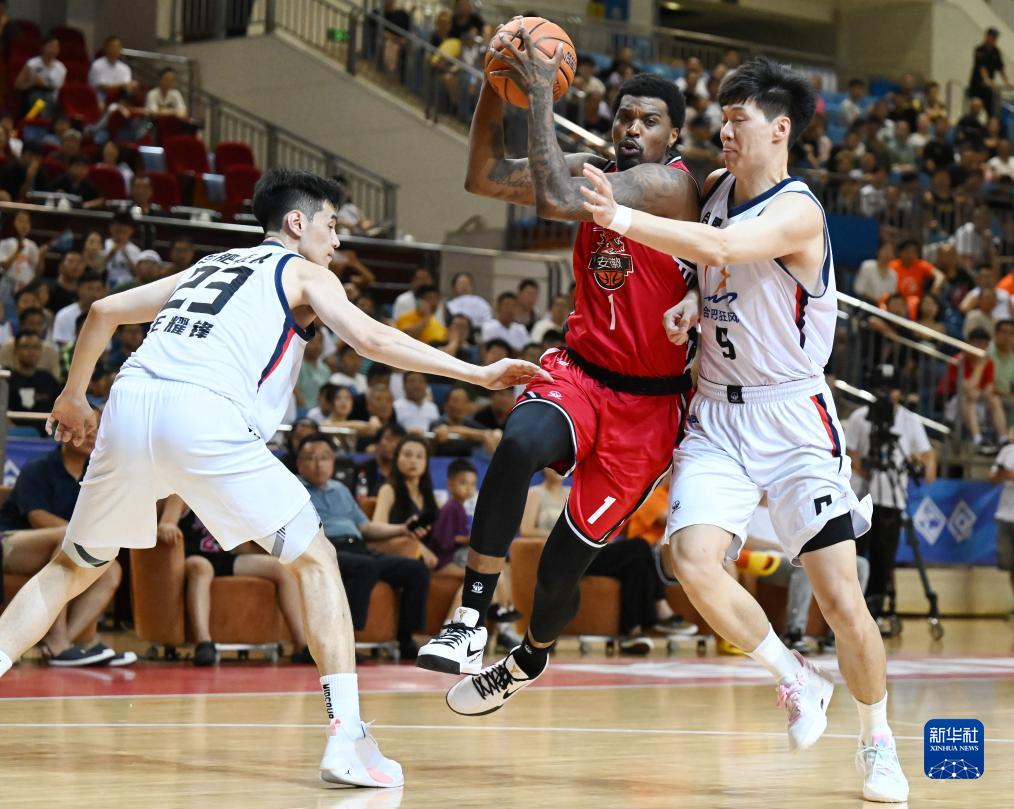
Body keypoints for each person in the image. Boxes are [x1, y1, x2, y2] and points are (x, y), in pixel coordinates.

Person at [0, 168, 545, 788]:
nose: (336, 241)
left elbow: (102, 311)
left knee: (72, 567)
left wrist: (74, 396)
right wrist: (477, 374)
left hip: (131, 402)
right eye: (331, 225)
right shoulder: (305, 273)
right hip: (204, 412)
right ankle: (347, 739)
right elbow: (369, 339)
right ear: (297, 222)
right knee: (317, 560)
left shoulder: (209, 265)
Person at [578, 57, 908, 801]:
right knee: (690, 559)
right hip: (718, 413)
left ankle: (878, 741)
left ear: (779, 129)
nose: (724, 132)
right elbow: (718, 271)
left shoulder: (800, 211)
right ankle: (795, 676)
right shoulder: (716, 190)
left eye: (739, 120)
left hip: (792, 419)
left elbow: (728, 248)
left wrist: (619, 218)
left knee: (841, 600)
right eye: (722, 119)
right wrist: (693, 305)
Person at [419, 26, 699, 711]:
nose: (632, 129)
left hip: (647, 410)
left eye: (649, 121)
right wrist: (497, 83)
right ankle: (470, 617)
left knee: (556, 574)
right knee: (518, 444)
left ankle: (531, 655)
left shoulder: (669, 188)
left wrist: (540, 91)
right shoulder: (587, 166)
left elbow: (555, 199)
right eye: (624, 117)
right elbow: (483, 175)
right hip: (579, 372)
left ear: (673, 138)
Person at [0, 416, 135, 666]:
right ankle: (57, 640)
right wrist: (85, 535)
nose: (93, 434)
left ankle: (63, 647)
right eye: (87, 426)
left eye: (98, 429)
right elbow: (37, 517)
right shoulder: (39, 467)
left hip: (58, 547)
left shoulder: (96, 475)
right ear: (65, 431)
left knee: (109, 568)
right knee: (68, 539)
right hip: (12, 542)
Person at [298, 433, 431, 661]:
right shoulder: (294, 489)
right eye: (311, 458)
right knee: (365, 566)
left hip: (360, 548)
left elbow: (366, 527)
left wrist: (402, 529)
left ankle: (406, 639)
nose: (319, 464)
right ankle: (342, 643)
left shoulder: (340, 489)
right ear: (299, 463)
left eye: (325, 457)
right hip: (328, 551)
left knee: (416, 569)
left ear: (333, 462)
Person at [158, 494, 313, 666]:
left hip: (223, 557)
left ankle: (301, 644)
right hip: (193, 557)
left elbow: (241, 547)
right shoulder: (182, 494)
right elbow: (166, 524)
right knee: (202, 568)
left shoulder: (228, 496)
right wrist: (167, 528)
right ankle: (204, 643)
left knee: (281, 567)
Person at [4, 330, 60, 434]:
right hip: (14, 435)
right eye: (26, 347)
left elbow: (60, 407)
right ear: (16, 350)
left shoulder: (48, 378)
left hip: (48, 434)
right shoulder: (6, 379)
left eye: (36, 347)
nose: (31, 352)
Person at [990, 436, 1014, 611]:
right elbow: (993, 477)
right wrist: (1003, 474)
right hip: (1005, 514)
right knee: (1010, 565)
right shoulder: (1007, 451)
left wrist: (1009, 474)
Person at [14, 36, 65, 117]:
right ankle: (37, 118)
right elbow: (17, 85)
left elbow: (60, 90)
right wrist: (33, 83)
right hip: (33, 98)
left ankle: (46, 118)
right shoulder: (32, 64)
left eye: (56, 47)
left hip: (52, 102)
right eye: (51, 46)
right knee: (37, 101)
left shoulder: (61, 68)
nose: (53, 49)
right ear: (43, 47)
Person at [52, 271, 105, 345]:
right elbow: (63, 346)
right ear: (78, 289)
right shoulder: (64, 315)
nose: (94, 294)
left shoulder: (105, 315)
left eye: (98, 289)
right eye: (90, 288)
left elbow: (106, 348)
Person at [357, 422, 407, 496]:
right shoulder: (363, 469)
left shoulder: (404, 473)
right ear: (377, 443)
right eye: (389, 439)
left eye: (398, 442)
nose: (393, 445)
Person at [968, 27, 1009, 116]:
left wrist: (1007, 82)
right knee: (977, 105)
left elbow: (1000, 68)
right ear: (987, 37)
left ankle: (993, 120)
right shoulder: (979, 50)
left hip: (988, 88)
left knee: (993, 107)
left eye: (995, 38)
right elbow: (981, 67)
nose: (993, 40)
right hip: (977, 85)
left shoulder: (996, 52)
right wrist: (987, 80)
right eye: (992, 37)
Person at [0, 210, 41, 296]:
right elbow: (4, 266)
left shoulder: (32, 245)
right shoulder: (4, 243)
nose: (24, 225)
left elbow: (38, 270)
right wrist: (18, 251)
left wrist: (42, 256)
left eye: (27, 222)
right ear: (13, 223)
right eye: (20, 221)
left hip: (27, 287)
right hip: (8, 286)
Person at [88, 35, 137, 105]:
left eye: (117, 47)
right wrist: (122, 85)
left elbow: (127, 88)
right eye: (112, 47)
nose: (115, 49)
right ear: (105, 48)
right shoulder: (97, 65)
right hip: (99, 102)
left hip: (119, 102)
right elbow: (102, 87)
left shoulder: (125, 68)